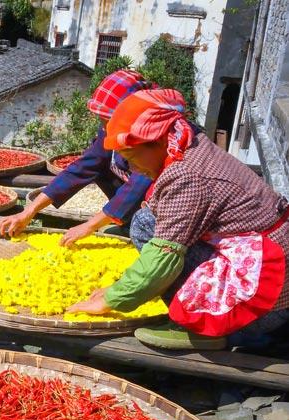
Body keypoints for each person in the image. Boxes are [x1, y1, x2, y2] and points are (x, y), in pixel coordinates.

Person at [67, 89, 289, 348]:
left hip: (267, 296)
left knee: (145, 227)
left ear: (158, 141)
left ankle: (202, 329)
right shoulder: (188, 141)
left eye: (132, 159)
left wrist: (112, 299)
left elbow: (163, 255)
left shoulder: (185, 175)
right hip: (269, 259)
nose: (133, 169)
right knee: (149, 219)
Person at [0, 70, 155, 245]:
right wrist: (28, 212)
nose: (104, 126)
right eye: (102, 120)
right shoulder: (111, 129)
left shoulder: (155, 139)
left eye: (108, 119)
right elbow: (82, 168)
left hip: (163, 225)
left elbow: (137, 185)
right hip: (135, 217)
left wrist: (89, 226)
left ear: (129, 114)